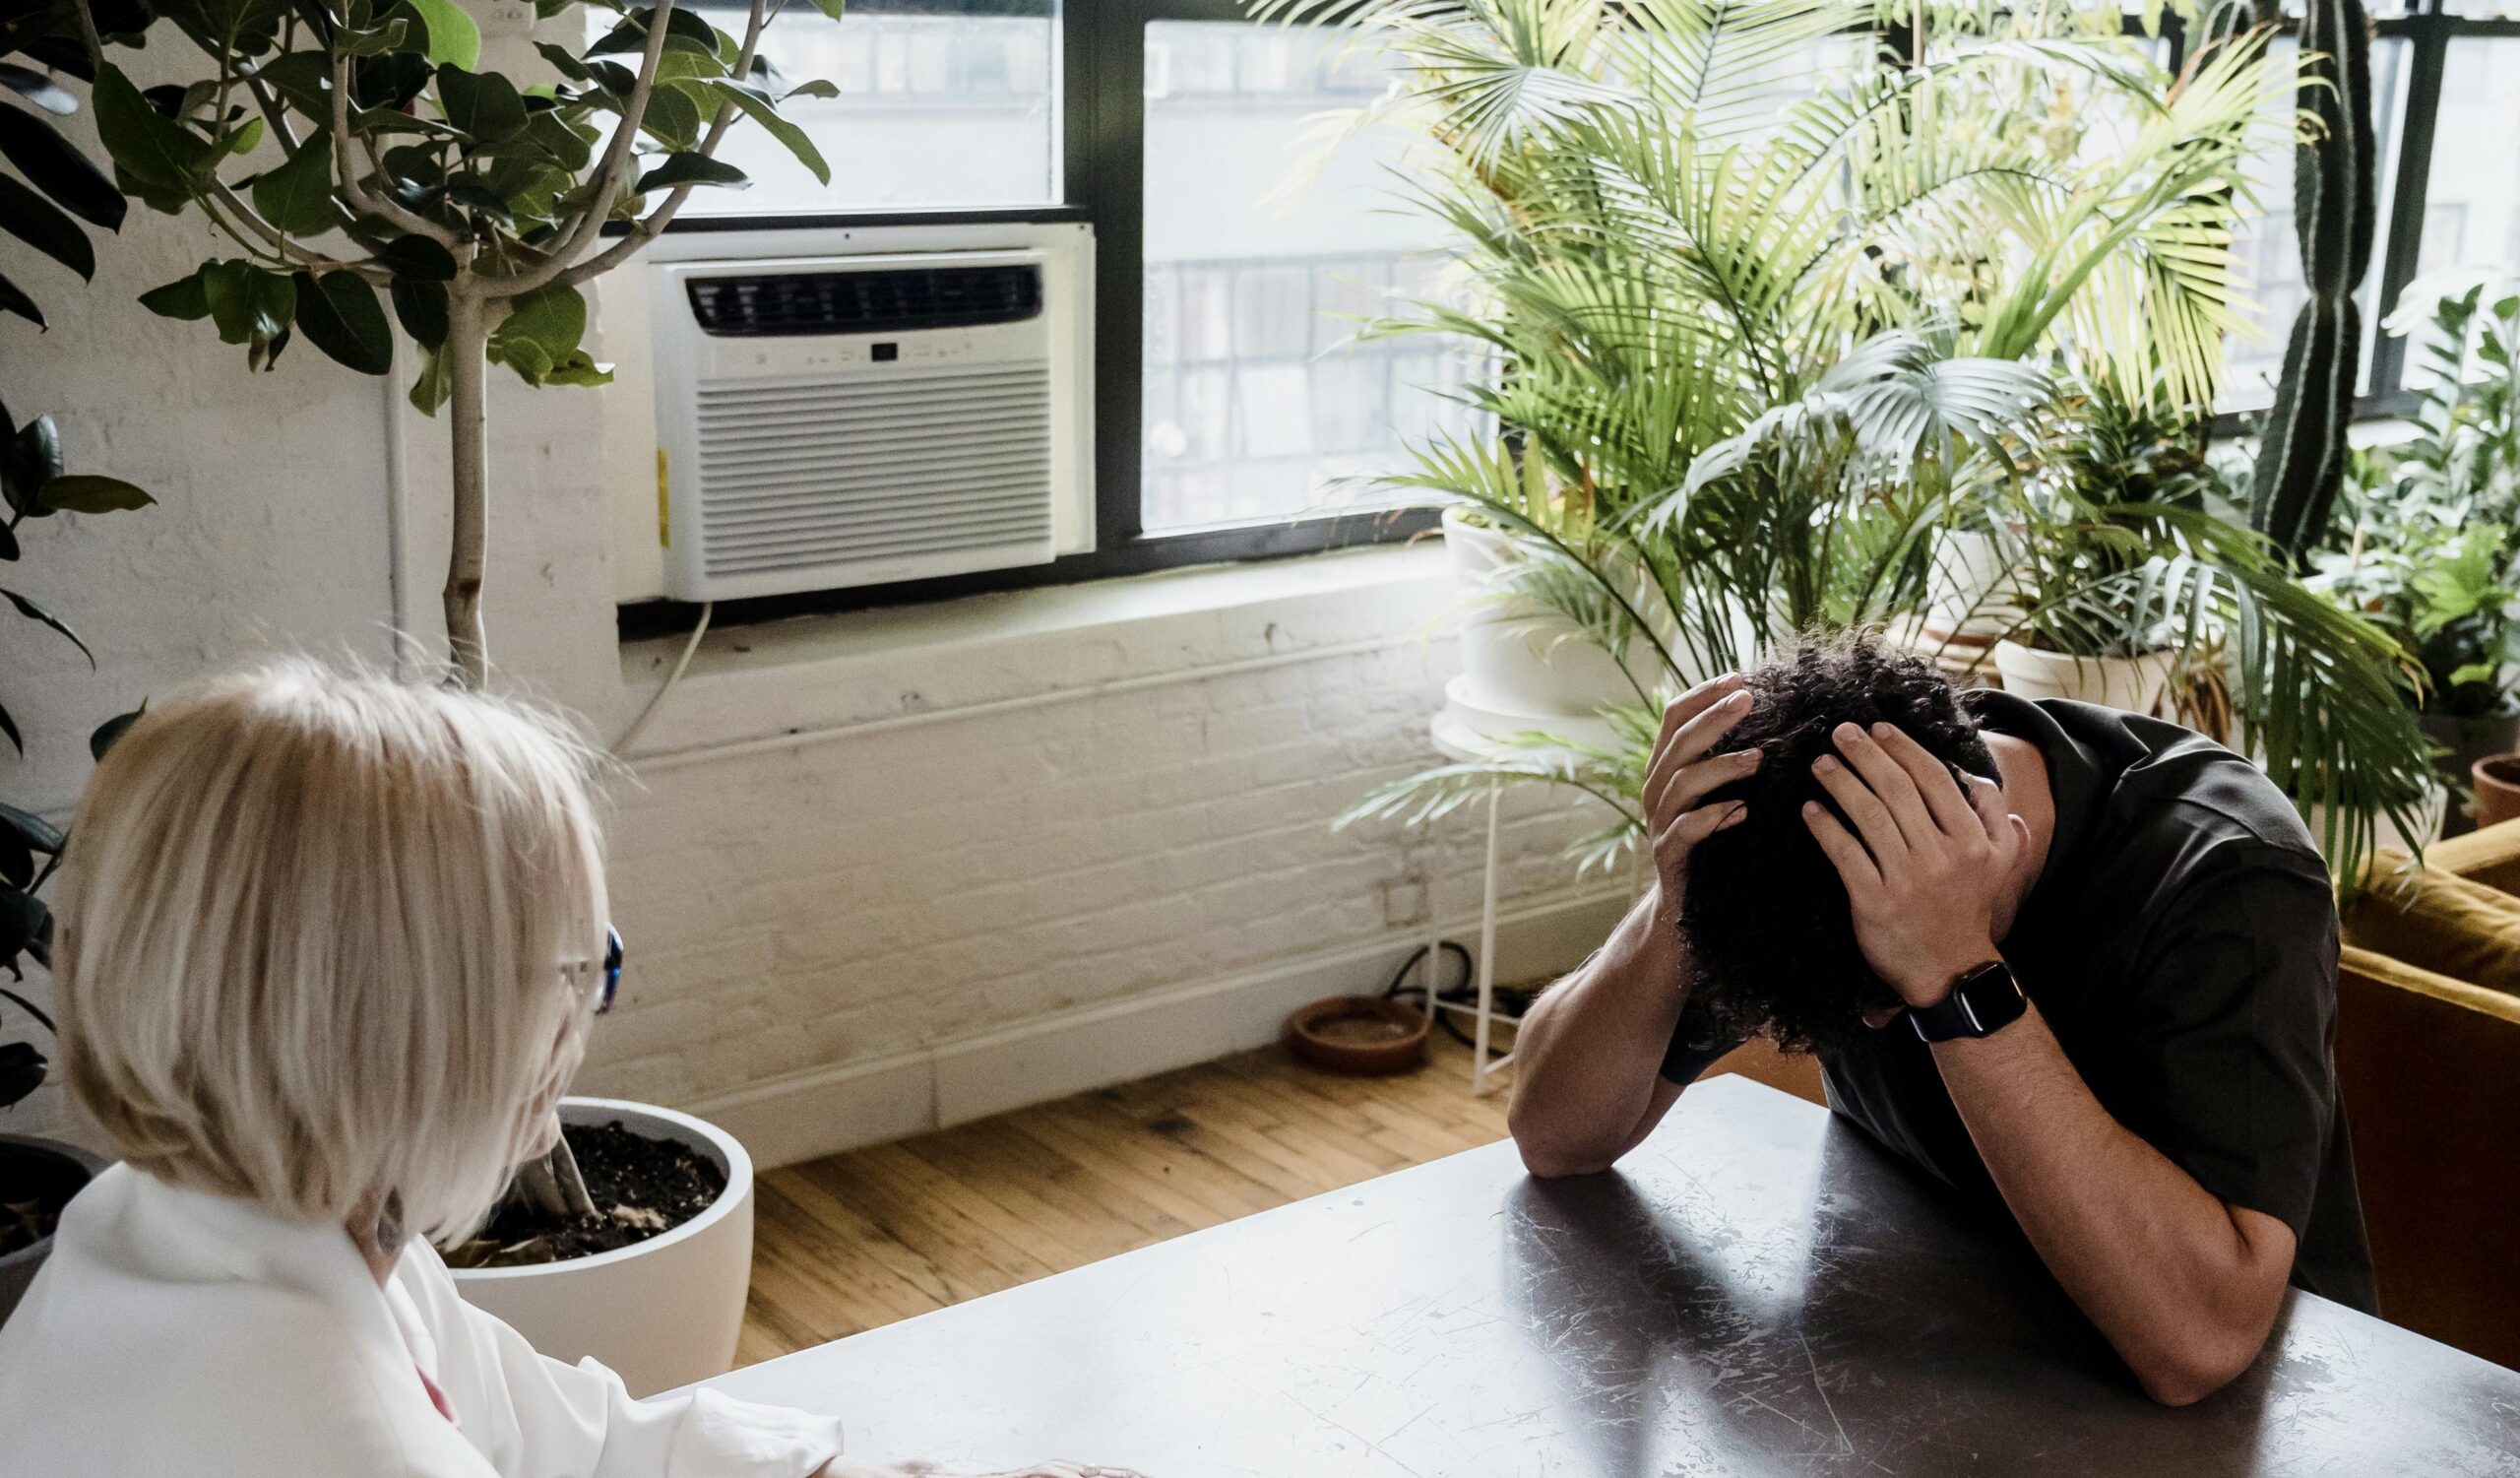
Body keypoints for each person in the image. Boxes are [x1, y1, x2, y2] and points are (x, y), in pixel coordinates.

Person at [0, 661, 1138, 1478]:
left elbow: (575, 1441)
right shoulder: (313, 1428)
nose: (582, 1021)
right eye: (576, 967)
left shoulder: (203, 1225)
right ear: (421, 1023)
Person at [1505, 634, 2373, 1408]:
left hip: (2289, 1409)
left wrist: (1954, 973)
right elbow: (1556, 1136)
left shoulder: (2228, 878)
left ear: (2009, 835)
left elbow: (2201, 1344)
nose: (1879, 1023)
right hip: (1946, 1352)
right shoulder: (1811, 825)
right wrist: (1676, 900)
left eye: (1886, 992)